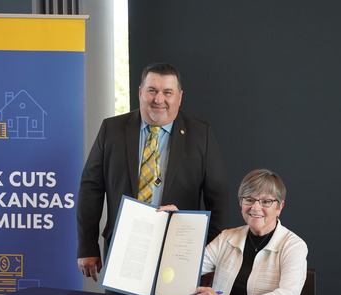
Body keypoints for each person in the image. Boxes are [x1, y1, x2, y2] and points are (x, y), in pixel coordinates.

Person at [77, 62, 228, 281]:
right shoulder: (112, 130)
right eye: (152, 91)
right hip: (124, 246)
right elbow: (90, 189)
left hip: (178, 249)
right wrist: (87, 247)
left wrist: (212, 255)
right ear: (140, 92)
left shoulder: (200, 134)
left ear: (179, 96)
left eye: (167, 92)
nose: (159, 99)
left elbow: (218, 198)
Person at [190, 169, 308, 295]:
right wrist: (176, 226)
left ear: (279, 207)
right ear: (241, 203)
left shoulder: (294, 246)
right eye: (249, 200)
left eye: (266, 201)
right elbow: (188, 267)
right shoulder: (226, 238)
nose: (255, 207)